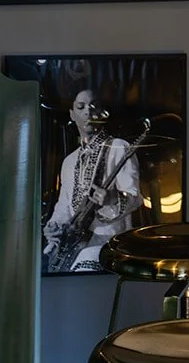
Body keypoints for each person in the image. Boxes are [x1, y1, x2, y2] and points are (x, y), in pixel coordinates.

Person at [43, 88, 144, 272]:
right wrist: (54, 226)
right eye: (81, 107)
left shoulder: (118, 147)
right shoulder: (69, 161)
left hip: (109, 243)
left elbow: (136, 198)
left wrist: (112, 198)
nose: (87, 112)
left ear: (103, 114)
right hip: (73, 247)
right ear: (72, 115)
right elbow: (64, 206)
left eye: (93, 107)